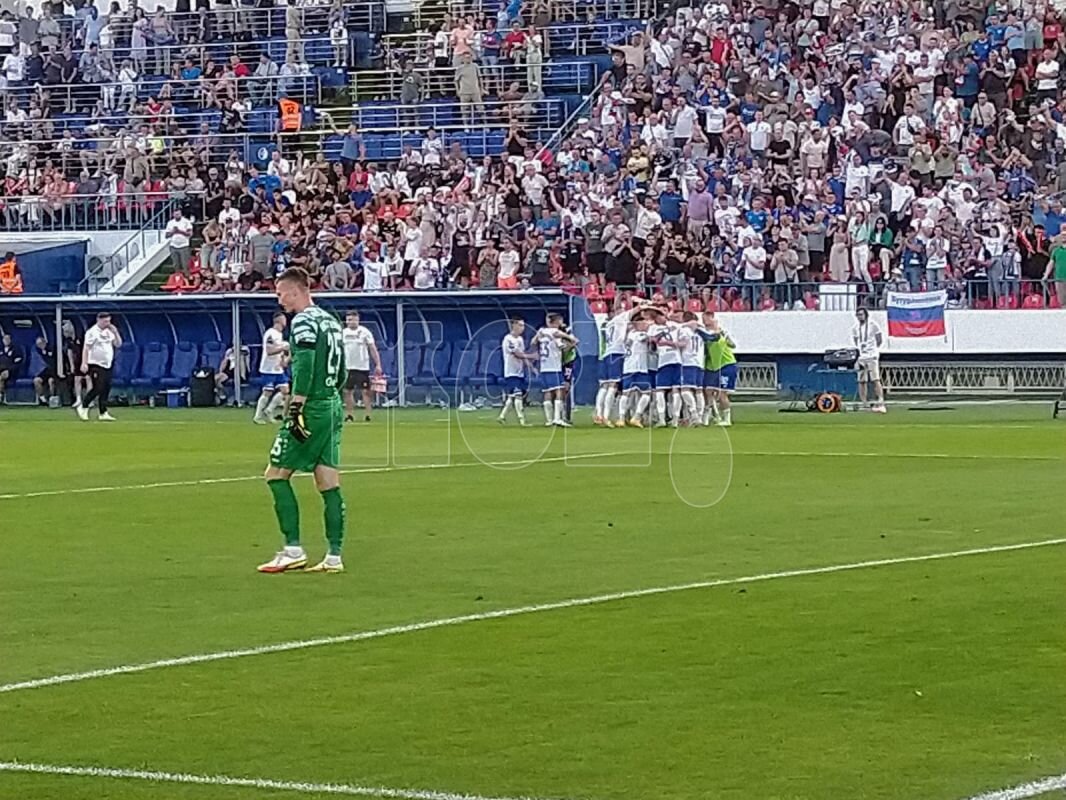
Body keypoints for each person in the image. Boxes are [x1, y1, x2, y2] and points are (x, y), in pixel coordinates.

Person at [258, 266, 347, 575]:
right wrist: (332, 397)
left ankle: (292, 549)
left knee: (275, 474)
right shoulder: (330, 320)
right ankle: (334, 556)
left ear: (296, 291)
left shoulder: (305, 321)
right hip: (332, 405)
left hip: (310, 407)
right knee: (327, 480)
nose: (279, 299)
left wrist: (296, 407)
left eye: (281, 293)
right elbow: (343, 368)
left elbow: (306, 366)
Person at [531, 313, 577, 427]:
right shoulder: (554, 332)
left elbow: (533, 342)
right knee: (559, 391)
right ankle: (557, 418)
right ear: (556, 322)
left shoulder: (541, 332)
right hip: (554, 367)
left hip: (544, 366)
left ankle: (549, 420)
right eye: (560, 321)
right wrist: (571, 340)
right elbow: (567, 341)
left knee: (547, 392)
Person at [593, 303, 633, 425]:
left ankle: (599, 414)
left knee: (604, 385)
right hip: (616, 354)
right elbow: (634, 310)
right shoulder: (619, 320)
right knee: (613, 385)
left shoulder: (607, 324)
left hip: (606, 354)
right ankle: (605, 416)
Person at [76, 312, 121, 421]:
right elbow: (86, 348)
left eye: (109, 321)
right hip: (95, 363)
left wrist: (115, 331)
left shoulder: (109, 331)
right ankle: (84, 406)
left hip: (107, 364)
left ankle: (103, 412)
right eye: (105, 321)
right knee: (98, 387)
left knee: (106, 388)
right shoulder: (92, 332)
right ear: (99, 320)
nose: (107, 323)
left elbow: (118, 344)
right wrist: (84, 363)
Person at [341, 310, 382, 423]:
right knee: (347, 391)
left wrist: (378, 364)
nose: (351, 322)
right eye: (348, 320)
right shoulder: (343, 333)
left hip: (362, 366)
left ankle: (368, 414)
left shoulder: (365, 332)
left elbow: (372, 348)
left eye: (353, 319)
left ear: (358, 320)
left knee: (365, 391)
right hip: (347, 367)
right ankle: (349, 415)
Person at [647, 308, 683, 428]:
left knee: (676, 390)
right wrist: (663, 333)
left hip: (676, 359)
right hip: (662, 361)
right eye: (657, 316)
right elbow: (652, 340)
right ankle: (662, 418)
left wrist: (671, 318)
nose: (660, 318)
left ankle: (675, 419)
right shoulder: (653, 328)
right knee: (660, 390)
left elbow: (690, 323)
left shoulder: (675, 325)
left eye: (661, 315)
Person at [253, 312, 290, 424]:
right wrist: (283, 347)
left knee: (285, 390)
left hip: (277, 368)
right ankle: (257, 416)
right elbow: (269, 351)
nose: (286, 321)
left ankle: (269, 410)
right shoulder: (270, 334)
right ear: (278, 320)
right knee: (267, 392)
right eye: (284, 318)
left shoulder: (280, 334)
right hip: (268, 369)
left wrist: (283, 361)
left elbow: (280, 351)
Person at [615, 313, 651, 428]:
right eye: (644, 322)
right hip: (639, 368)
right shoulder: (639, 334)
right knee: (646, 393)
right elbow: (649, 338)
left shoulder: (629, 334)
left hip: (628, 367)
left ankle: (621, 418)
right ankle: (636, 416)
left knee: (627, 393)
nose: (646, 324)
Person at [498, 317, 533, 425]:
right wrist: (532, 356)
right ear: (514, 326)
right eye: (520, 325)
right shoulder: (508, 339)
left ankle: (502, 416)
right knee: (518, 395)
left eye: (523, 325)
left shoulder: (520, 339)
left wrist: (530, 366)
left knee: (512, 396)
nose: (522, 328)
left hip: (519, 371)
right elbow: (516, 353)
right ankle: (522, 420)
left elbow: (522, 355)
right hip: (511, 372)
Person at [852, 306, 886, 413]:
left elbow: (879, 339)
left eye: (861, 314)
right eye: (858, 315)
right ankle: (864, 401)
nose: (860, 317)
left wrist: (873, 350)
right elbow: (856, 341)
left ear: (866, 315)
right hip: (862, 357)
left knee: (875, 379)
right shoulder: (855, 328)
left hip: (872, 356)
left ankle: (880, 399)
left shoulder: (873, 325)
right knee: (862, 380)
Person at [32, 335, 58, 406]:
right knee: (36, 380)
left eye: (41, 344)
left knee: (51, 381)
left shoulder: (52, 348)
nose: (40, 346)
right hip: (46, 370)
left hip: (55, 370)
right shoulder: (39, 351)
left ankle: (52, 399)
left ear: (45, 342)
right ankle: (42, 399)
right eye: (38, 345)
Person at [0, 333, 25, 403]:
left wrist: (9, 370)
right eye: (5, 339)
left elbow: (18, 363)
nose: (6, 341)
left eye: (8, 339)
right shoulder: (1, 349)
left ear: (11, 340)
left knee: (1, 377)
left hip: (12, 372)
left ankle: (0, 396)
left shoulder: (16, 349)